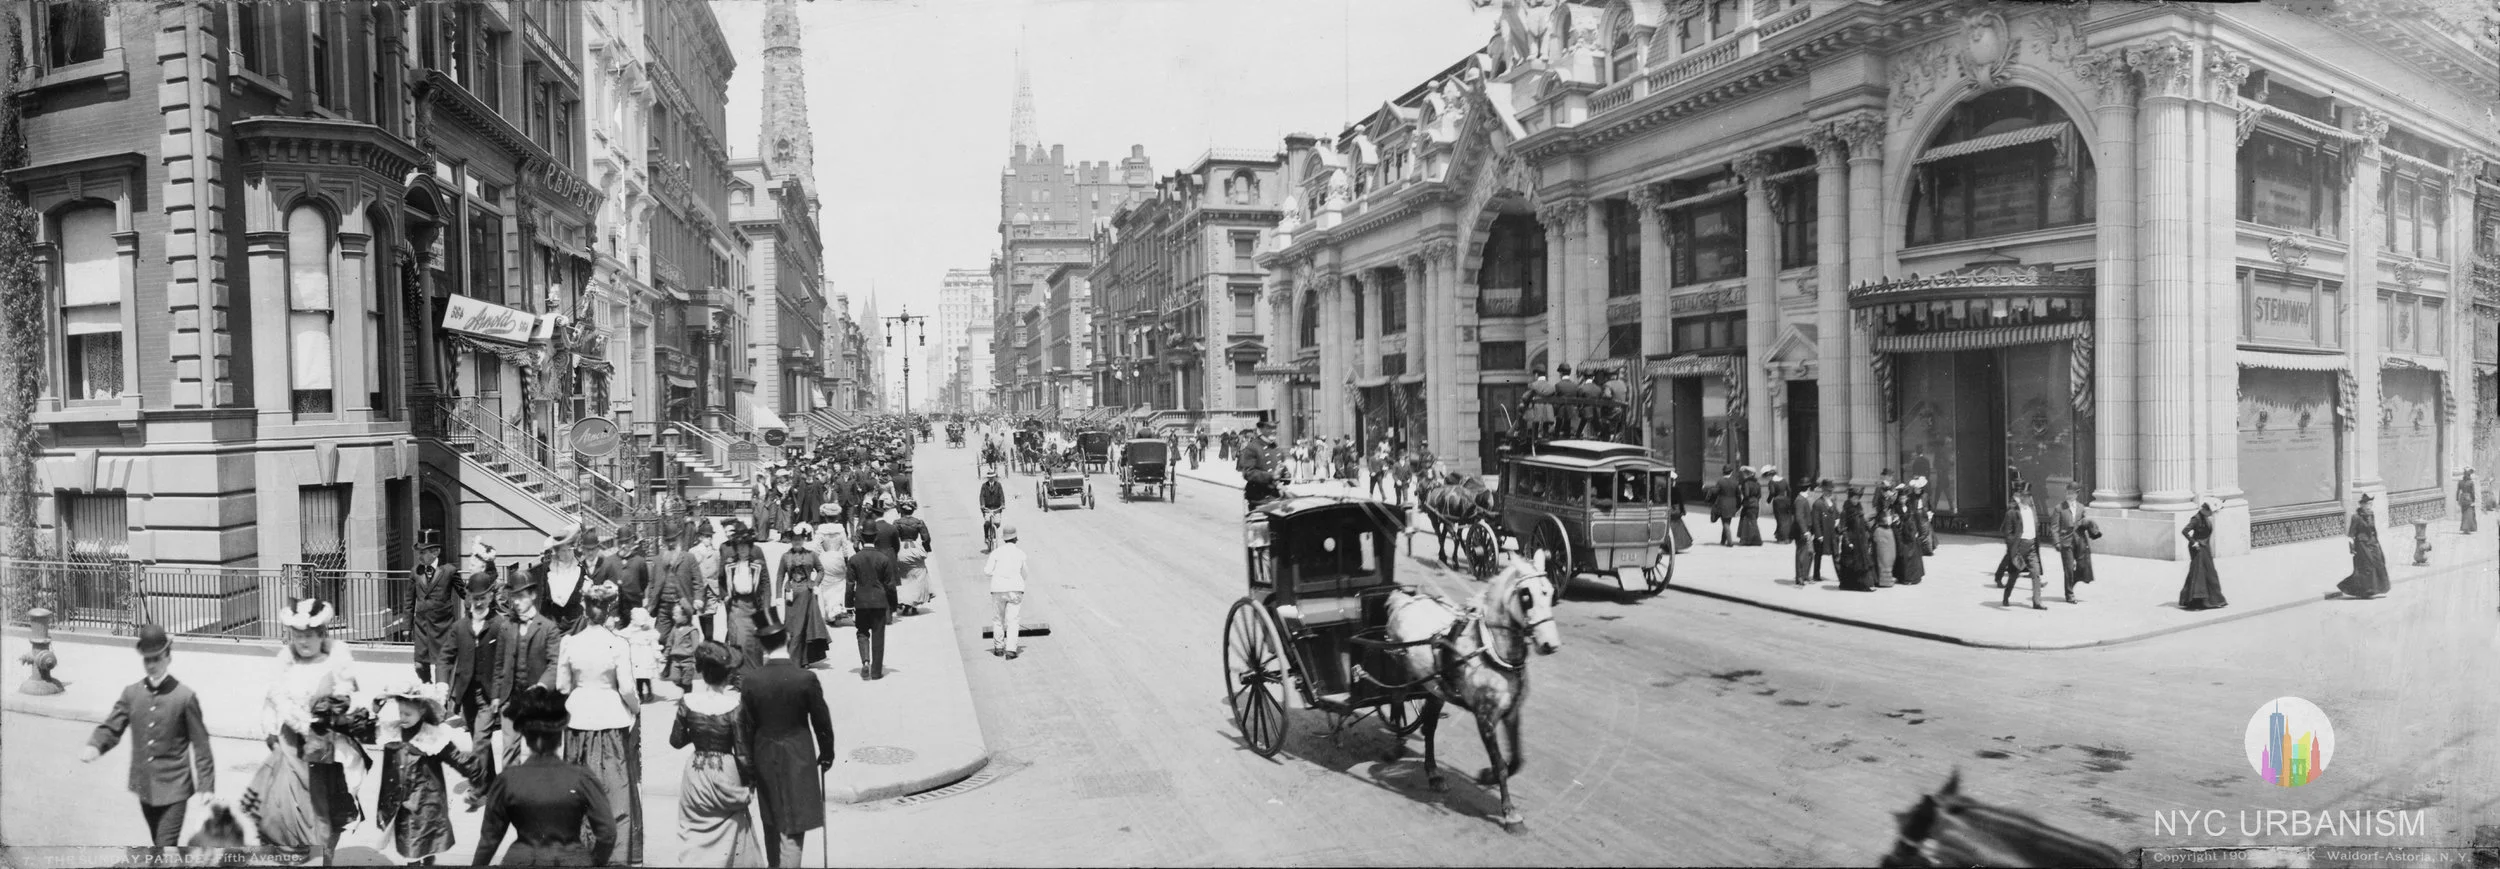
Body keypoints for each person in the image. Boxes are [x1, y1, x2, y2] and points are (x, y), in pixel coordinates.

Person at [244, 599, 372, 862]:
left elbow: (352, 698)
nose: (303, 642)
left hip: (327, 750)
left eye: (309, 636)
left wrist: (338, 713)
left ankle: (325, 858)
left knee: (326, 812)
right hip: (292, 748)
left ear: (322, 634)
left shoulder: (335, 661)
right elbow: (272, 701)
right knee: (288, 811)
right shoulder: (286, 664)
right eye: (298, 636)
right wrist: (274, 730)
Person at [81, 623, 215, 847]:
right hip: (145, 787)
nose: (151, 664)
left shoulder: (184, 697)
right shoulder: (132, 693)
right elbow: (113, 725)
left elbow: (201, 744)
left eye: (157, 658)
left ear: (168, 657)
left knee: (165, 845)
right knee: (158, 844)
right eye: (147, 659)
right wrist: (96, 744)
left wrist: (207, 785)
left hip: (175, 788)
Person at [473, 684, 616, 866]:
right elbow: (608, 833)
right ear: (560, 735)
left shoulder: (507, 780)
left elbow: (489, 840)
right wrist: (593, 862)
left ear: (525, 735)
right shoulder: (582, 778)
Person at [554, 581, 643, 865]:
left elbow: (562, 686)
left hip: (579, 722)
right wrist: (635, 708)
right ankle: (615, 854)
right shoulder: (617, 644)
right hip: (610, 721)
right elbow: (627, 689)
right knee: (614, 789)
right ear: (608, 610)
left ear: (583, 607)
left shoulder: (570, 642)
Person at [739, 624, 836, 867]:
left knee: (771, 820)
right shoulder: (805, 678)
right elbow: (821, 721)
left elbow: (745, 727)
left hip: (764, 755)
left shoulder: (752, 680)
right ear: (787, 640)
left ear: (763, 646)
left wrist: (748, 767)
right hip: (798, 755)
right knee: (793, 824)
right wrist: (827, 753)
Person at [372, 679, 484, 864]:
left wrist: (475, 772)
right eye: (401, 712)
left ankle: (423, 860)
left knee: (415, 844)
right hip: (400, 800)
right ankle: (425, 858)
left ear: (422, 711)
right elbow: (365, 731)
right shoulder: (392, 731)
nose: (403, 717)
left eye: (408, 713)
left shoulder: (432, 735)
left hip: (425, 800)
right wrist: (376, 706)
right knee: (411, 842)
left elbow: (456, 757)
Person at [672, 642, 762, 867]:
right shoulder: (735, 705)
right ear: (728, 675)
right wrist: (750, 785)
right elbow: (742, 753)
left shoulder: (688, 703)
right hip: (726, 772)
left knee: (694, 831)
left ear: (702, 673)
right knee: (733, 830)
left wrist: (698, 728)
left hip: (696, 773)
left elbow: (676, 741)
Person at [446, 583, 507, 810]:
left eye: (483, 597)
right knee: (478, 738)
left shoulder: (500, 625)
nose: (478, 602)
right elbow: (446, 657)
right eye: (474, 597)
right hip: (467, 696)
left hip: (488, 696)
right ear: (468, 598)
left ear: (491, 597)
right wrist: (443, 684)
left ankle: (477, 787)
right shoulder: (460, 626)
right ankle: (489, 782)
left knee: (481, 739)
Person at [495, 577, 561, 777]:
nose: (516, 602)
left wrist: (542, 685)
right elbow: (499, 664)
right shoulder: (507, 626)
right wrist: (496, 695)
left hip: (537, 700)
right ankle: (510, 794)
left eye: (521, 597)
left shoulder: (548, 627)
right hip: (511, 698)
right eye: (514, 597)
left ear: (532, 596)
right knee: (509, 751)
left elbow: (555, 664)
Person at [411, 531, 464, 683]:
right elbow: (409, 601)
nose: (420, 556)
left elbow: (464, 593)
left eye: (423, 552)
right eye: (419, 552)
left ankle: (442, 694)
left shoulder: (449, 571)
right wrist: (407, 626)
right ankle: (427, 686)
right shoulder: (415, 572)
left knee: (442, 664)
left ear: (436, 552)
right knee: (419, 665)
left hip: (443, 625)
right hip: (422, 626)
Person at [846, 537, 900, 681]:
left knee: (862, 632)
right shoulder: (883, 559)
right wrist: (893, 604)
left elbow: (850, 585)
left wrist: (849, 605)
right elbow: (890, 585)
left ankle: (865, 661)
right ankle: (876, 672)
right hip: (879, 602)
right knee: (878, 635)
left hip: (861, 601)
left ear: (862, 540)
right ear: (876, 539)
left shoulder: (854, 559)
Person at [721, 523, 770, 677]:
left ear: (750, 547)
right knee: (739, 641)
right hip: (736, 607)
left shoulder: (758, 565)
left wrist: (766, 608)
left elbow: (766, 585)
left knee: (754, 643)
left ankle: (755, 675)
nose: (742, 549)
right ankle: (740, 678)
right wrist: (725, 596)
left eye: (745, 546)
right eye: (739, 546)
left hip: (754, 606)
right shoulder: (729, 564)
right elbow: (721, 580)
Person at [2335, 493, 2392, 599]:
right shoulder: (2356, 517)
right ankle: (2365, 591)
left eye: (2370, 504)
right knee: (2367, 568)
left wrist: (2377, 544)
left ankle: (2376, 589)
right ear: (2362, 505)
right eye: (2367, 504)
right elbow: (2351, 534)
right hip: (2362, 545)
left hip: (2373, 544)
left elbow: (2373, 531)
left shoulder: (2371, 515)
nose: (2369, 506)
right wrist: (2351, 548)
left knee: (2379, 564)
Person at [2049, 485, 2100, 603]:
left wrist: (2086, 523)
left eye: (2071, 493)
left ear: (2077, 494)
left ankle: (2070, 584)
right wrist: (2056, 541)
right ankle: (2069, 594)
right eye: (2067, 493)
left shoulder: (2081, 507)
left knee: (2082, 566)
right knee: (2068, 568)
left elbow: (2082, 522)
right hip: (2066, 543)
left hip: (2080, 541)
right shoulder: (2059, 508)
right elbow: (2054, 527)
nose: (2069, 495)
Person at [986, 522, 1029, 660]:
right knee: (1013, 620)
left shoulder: (996, 552)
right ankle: (1010, 650)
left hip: (998, 589)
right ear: (1016, 538)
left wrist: (999, 575)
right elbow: (1025, 573)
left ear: (1004, 539)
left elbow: (987, 571)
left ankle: (998, 648)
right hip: (1015, 589)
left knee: (998, 619)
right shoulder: (1021, 553)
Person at [2000, 486, 2046, 610]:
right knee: (2013, 575)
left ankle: (2037, 602)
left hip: (2031, 547)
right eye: (2024, 497)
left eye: (2028, 497)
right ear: (2020, 499)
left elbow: (2035, 526)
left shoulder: (2032, 510)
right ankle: (2006, 596)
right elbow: (2007, 532)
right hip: (2019, 548)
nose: (2027, 499)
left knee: (2035, 573)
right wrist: (2012, 549)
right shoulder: (2012, 512)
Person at [2179, 498, 2228, 611]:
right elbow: (2185, 531)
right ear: (2205, 510)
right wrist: (2194, 542)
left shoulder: (2205, 517)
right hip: (2198, 548)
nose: (2212, 514)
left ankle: (2213, 599)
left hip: (2205, 548)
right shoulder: (2196, 519)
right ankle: (2198, 600)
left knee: (2209, 571)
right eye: (2211, 511)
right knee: (2199, 572)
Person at [890, 499, 935, 614]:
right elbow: (926, 538)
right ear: (913, 510)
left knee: (903, 577)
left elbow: (892, 537)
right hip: (914, 548)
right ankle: (914, 605)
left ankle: (905, 603)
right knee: (919, 575)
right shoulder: (919, 522)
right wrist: (926, 548)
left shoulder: (897, 523)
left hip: (902, 549)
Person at [1836, 489, 1876, 592]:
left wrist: (1870, 531)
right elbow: (1843, 528)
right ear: (1850, 498)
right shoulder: (1845, 511)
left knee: (1862, 563)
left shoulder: (1859, 509)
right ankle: (1852, 585)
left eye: (1857, 498)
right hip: (1852, 541)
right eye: (1854, 498)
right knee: (1852, 564)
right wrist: (1848, 542)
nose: (1856, 500)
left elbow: (1863, 522)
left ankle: (1864, 585)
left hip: (1861, 541)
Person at [1896, 478, 1933, 586]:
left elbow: (1912, 518)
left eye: (1904, 498)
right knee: (1905, 555)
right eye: (1901, 498)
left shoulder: (1909, 505)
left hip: (1911, 530)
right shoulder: (1898, 507)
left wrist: (1915, 530)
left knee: (1915, 553)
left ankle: (1915, 576)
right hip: (1903, 533)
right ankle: (1906, 577)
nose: (1903, 500)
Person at [622, 608, 662, 702]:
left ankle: (649, 691)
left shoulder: (649, 631)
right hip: (635, 656)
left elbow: (654, 642)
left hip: (646, 656)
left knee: (645, 675)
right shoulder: (631, 629)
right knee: (638, 676)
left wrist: (657, 653)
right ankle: (640, 693)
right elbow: (623, 634)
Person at [663, 603, 702, 696]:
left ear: (685, 617)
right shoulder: (675, 628)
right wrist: (666, 653)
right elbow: (670, 642)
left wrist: (697, 660)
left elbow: (696, 646)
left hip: (687, 660)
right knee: (674, 678)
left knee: (686, 681)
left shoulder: (692, 630)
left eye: (676, 615)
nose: (673, 617)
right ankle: (686, 690)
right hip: (675, 660)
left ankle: (687, 695)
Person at [1870, 479, 1899, 587]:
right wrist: (1884, 492)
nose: (1888, 492)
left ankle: (1888, 578)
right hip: (1881, 530)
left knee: (1891, 556)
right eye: (1885, 490)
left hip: (1888, 529)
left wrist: (1891, 490)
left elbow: (1893, 498)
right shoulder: (1881, 502)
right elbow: (1881, 504)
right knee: (1884, 558)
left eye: (1888, 490)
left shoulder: (1889, 504)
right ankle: (1883, 581)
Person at [979, 468, 1009, 551]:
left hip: (996, 508)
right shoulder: (984, 486)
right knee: (987, 522)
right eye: (990, 477)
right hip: (987, 508)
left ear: (995, 477)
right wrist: (982, 505)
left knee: (997, 523)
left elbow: (1001, 495)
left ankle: (994, 532)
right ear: (988, 478)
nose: (991, 478)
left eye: (993, 477)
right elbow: (982, 496)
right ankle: (986, 537)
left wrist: (1002, 504)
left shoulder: (998, 485)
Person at [1737, 467, 1765, 547]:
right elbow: (1759, 495)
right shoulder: (1757, 483)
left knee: (1748, 522)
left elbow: (1746, 494)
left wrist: (1743, 501)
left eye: (1746, 473)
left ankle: (1753, 540)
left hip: (1748, 504)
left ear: (1749, 474)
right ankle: (1751, 540)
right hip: (1755, 504)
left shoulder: (1746, 483)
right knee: (1752, 521)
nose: (1744, 475)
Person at [1766, 468, 1794, 544]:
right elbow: (1789, 490)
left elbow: (1772, 492)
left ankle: (1782, 538)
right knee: (1787, 519)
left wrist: (1768, 501)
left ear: (1771, 475)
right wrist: (1788, 499)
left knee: (1779, 519)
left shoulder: (1772, 482)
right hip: (1785, 500)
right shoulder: (1784, 480)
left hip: (1777, 501)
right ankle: (1788, 537)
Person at [2459, 469, 2480, 534]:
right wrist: (2473, 500)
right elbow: (2472, 492)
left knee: (2464, 513)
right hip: (2468, 498)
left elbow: (2458, 491)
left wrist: (2458, 500)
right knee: (2469, 513)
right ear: (2469, 475)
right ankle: (2467, 528)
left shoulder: (2460, 482)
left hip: (2462, 498)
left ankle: (2465, 528)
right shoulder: (2471, 482)